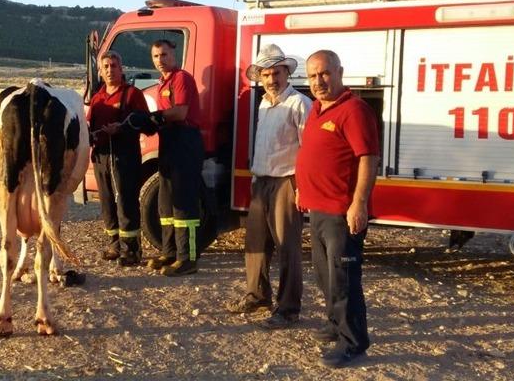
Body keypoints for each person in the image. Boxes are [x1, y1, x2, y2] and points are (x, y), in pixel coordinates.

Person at [295, 49, 379, 369]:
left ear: (340, 72)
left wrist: (359, 203)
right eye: (313, 75)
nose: (319, 81)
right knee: (325, 275)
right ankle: (334, 323)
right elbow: (315, 154)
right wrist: (303, 186)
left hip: (341, 212)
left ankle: (353, 342)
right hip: (317, 209)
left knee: (344, 278)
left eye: (325, 73)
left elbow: (367, 158)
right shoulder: (317, 109)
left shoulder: (354, 110)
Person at [224, 44, 311, 330]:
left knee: (288, 247)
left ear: (287, 73)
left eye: (277, 72)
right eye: (266, 74)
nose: (272, 79)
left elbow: (308, 150)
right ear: (260, 77)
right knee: (256, 244)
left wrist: (302, 187)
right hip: (261, 181)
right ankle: (258, 295)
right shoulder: (263, 103)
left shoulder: (299, 103)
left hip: (287, 181)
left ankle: (288, 309)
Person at [143, 39, 204, 276]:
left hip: (185, 140)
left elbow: (180, 112)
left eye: (164, 55)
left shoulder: (181, 78)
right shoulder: (161, 84)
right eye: (156, 56)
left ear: (174, 54)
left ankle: (187, 259)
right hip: (169, 140)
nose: (160, 60)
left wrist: (156, 117)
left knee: (185, 203)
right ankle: (169, 252)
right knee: (166, 201)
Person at [87, 50, 149, 267]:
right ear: (100, 72)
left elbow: (146, 123)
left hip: (124, 156)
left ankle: (131, 249)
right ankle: (114, 243)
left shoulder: (132, 94)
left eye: (114, 66)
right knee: (106, 202)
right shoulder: (97, 98)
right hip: (101, 157)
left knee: (126, 200)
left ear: (121, 69)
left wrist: (121, 129)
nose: (110, 70)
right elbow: (90, 127)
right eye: (106, 67)